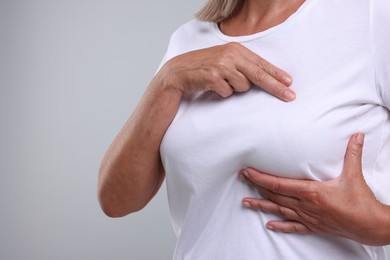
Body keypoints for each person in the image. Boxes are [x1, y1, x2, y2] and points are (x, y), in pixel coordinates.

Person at [98, 0, 390, 259]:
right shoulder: (188, 40)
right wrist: (168, 79)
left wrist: (376, 225)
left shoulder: (371, 16)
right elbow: (116, 200)